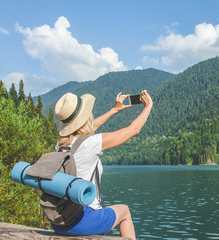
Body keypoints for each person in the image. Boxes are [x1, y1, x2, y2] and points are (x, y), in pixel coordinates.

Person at [50, 90, 153, 239]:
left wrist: (114, 110)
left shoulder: (60, 143)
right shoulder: (90, 143)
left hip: (59, 219)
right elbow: (133, 130)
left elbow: (87, 129)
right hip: (80, 220)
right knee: (124, 211)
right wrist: (148, 106)